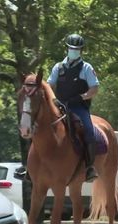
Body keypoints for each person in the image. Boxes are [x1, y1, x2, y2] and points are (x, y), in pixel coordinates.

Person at [47, 33, 99, 182]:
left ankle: (89, 167)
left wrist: (82, 96)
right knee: (38, 125)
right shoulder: (58, 67)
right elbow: (49, 85)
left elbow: (94, 89)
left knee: (89, 131)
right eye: (71, 48)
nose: (74, 51)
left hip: (78, 108)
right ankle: (28, 167)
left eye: (77, 49)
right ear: (67, 49)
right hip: (59, 106)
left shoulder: (87, 68)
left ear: (81, 50)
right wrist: (53, 99)